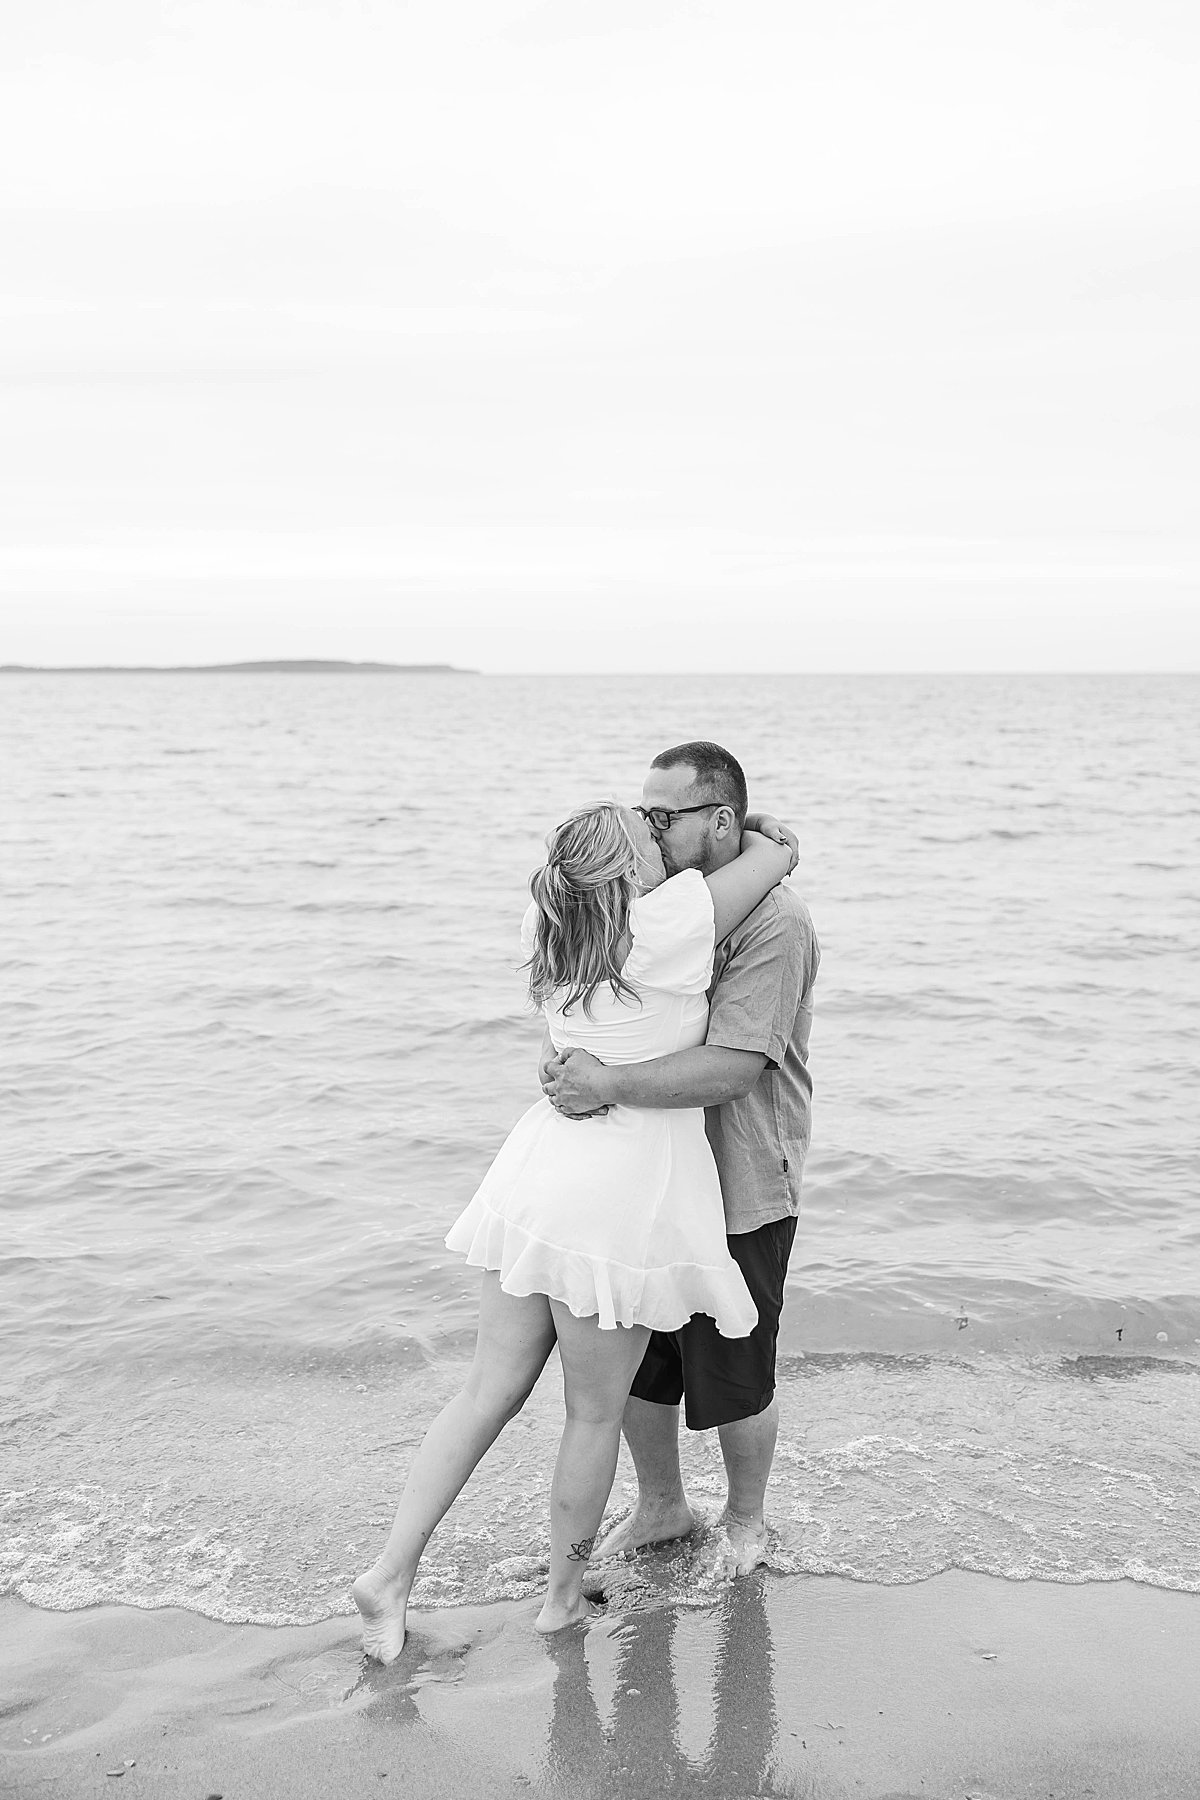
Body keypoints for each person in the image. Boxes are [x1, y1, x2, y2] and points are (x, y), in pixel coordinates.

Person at [352, 799, 792, 1662]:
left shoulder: (544, 920)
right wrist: (771, 834)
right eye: (646, 831)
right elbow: (775, 858)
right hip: (615, 1200)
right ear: (630, 871)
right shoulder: (664, 924)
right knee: (592, 1416)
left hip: (536, 1176)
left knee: (484, 1389)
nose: (659, 836)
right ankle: (560, 1599)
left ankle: (390, 1571)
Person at [543, 741, 819, 1576]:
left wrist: (605, 1082)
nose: (649, 833)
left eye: (664, 818)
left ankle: (745, 1523)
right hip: (646, 1181)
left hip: (738, 1180)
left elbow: (736, 1067)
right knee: (639, 1366)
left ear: (722, 821)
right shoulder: (657, 906)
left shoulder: (774, 921)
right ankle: (661, 1507)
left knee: (737, 1369)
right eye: (643, 816)